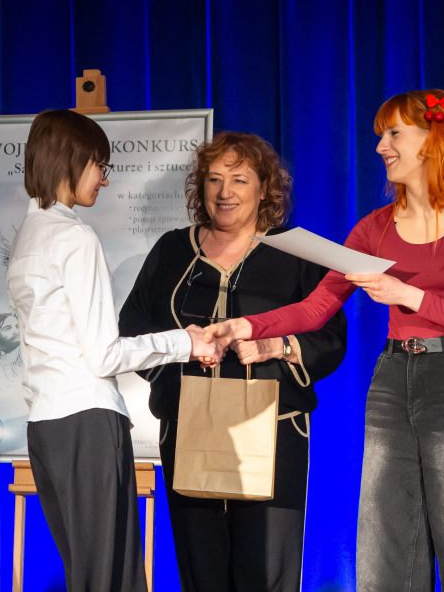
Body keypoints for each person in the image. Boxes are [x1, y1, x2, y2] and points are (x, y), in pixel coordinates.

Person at [205, 90, 444, 592]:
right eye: (380, 136)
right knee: (386, 542)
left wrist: (410, 295)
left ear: (435, 139)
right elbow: (316, 307)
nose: (381, 146)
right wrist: (245, 326)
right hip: (392, 381)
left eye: (394, 134)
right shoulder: (374, 228)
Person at [119, 131, 347, 592]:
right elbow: (133, 327)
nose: (225, 192)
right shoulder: (172, 249)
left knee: (266, 571)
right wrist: (182, 349)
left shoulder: (299, 253)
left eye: (240, 180)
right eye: (214, 179)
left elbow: (330, 336)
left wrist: (277, 346)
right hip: (189, 427)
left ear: (265, 189)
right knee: (201, 569)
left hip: (274, 429)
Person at [6, 109, 223, 592]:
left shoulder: (26, 237)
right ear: (71, 160)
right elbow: (104, 355)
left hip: (44, 427)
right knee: (111, 576)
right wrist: (185, 342)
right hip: (87, 422)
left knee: (89, 573)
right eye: (99, 166)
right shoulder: (73, 236)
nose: (104, 179)